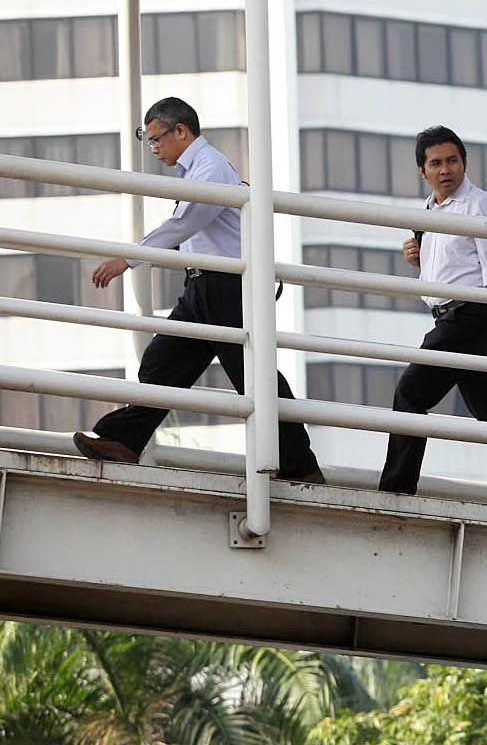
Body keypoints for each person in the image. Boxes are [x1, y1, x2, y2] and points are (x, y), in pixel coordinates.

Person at [71, 97, 323, 483]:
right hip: (206, 284)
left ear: (181, 131)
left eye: (157, 139)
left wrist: (128, 259)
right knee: (162, 362)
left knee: (253, 376)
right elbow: (186, 227)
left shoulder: (210, 168)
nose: (154, 149)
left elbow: (183, 224)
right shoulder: (199, 170)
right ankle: (122, 439)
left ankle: (300, 465)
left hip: (225, 286)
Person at [377, 126, 487, 496]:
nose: (445, 169)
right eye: (436, 163)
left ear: (464, 162)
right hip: (450, 317)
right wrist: (418, 255)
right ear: (423, 171)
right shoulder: (430, 209)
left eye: (452, 160)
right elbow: (450, 266)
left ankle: (396, 491)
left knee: (409, 395)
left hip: (473, 314)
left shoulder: (480, 206)